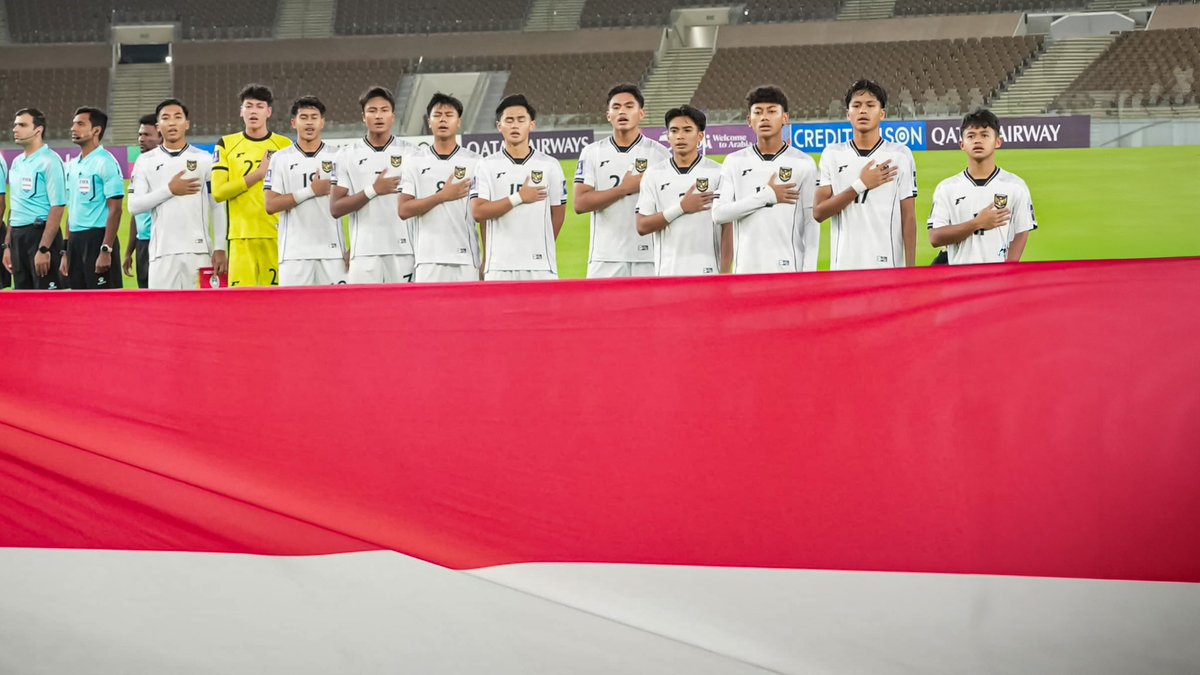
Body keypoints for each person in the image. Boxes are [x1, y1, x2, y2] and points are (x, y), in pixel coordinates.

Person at [712, 86, 819, 274]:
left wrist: (809, 272)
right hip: (746, 271)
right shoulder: (734, 161)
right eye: (758, 112)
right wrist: (767, 196)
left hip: (789, 270)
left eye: (771, 111)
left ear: (785, 118)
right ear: (749, 120)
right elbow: (719, 214)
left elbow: (812, 223)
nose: (764, 117)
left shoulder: (804, 163)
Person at [813, 79, 918, 270]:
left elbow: (908, 216)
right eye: (857, 105)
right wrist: (860, 185)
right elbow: (819, 213)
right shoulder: (832, 154)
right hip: (844, 266)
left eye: (870, 105)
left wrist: (910, 268)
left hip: (887, 266)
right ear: (848, 114)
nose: (863, 110)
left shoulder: (900, 155)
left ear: (882, 113)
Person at [128, 99, 227, 289]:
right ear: (158, 126)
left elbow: (218, 205)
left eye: (178, 117)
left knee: (201, 313)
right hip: (161, 253)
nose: (172, 122)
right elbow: (134, 206)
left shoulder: (204, 159)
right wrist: (170, 190)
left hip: (199, 253)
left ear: (187, 124)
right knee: (162, 314)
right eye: (166, 118)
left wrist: (220, 247)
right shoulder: (145, 161)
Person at [574, 83, 670, 278]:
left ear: (641, 113)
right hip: (605, 258)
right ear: (608, 115)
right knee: (602, 309)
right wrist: (623, 189)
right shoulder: (592, 152)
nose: (622, 112)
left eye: (629, 106)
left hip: (649, 257)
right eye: (616, 107)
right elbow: (580, 203)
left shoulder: (660, 154)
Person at [470, 94, 566, 281]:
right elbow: (478, 211)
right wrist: (519, 197)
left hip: (541, 267)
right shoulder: (486, 165)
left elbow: (559, 214)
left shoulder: (550, 165)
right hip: (499, 266)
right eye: (509, 120)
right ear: (499, 126)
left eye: (521, 120)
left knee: (542, 311)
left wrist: (539, 246)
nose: (515, 125)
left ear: (532, 124)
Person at [329, 86, 418, 284]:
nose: (378, 116)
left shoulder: (412, 154)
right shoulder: (346, 155)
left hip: (404, 251)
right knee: (364, 312)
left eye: (384, 110)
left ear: (393, 116)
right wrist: (373, 190)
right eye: (372, 111)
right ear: (363, 117)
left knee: (403, 311)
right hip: (364, 252)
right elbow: (335, 208)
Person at [928, 109, 1037, 264]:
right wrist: (977, 223)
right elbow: (935, 237)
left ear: (998, 142)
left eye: (985, 135)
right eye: (971, 136)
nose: (977, 141)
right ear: (962, 144)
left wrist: (1009, 269)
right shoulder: (947, 188)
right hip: (959, 280)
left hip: (998, 281)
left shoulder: (1015, 186)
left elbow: (1022, 231)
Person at [397, 92, 483, 283]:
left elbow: (483, 215)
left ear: (458, 121)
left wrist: (486, 258)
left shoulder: (476, 162)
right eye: (437, 115)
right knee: (430, 313)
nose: (443, 120)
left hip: (467, 257)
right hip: (428, 259)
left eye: (449, 115)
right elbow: (403, 210)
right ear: (429, 122)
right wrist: (442, 196)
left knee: (466, 313)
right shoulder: (414, 161)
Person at [212, 84, 292, 286]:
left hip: (276, 236)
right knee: (240, 305)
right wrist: (258, 174)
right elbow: (219, 193)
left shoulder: (285, 146)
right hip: (241, 238)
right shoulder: (226, 144)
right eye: (248, 106)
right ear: (241, 111)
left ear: (269, 111)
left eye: (259, 106)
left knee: (277, 304)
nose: (253, 111)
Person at [635, 105, 730, 276]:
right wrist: (681, 208)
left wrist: (724, 273)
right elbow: (642, 226)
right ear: (668, 136)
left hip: (709, 273)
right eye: (674, 130)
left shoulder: (719, 173)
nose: (680, 136)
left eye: (687, 130)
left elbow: (727, 228)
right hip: (668, 273)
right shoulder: (653, 174)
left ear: (700, 136)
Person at [263, 96, 346, 286]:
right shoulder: (280, 159)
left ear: (322, 122)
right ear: (294, 123)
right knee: (295, 314)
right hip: (294, 254)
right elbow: (270, 205)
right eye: (304, 117)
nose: (309, 122)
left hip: (333, 253)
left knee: (334, 313)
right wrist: (310, 191)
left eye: (314, 117)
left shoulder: (338, 157)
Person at [3, 108, 67, 290]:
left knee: (48, 300)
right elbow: (15, 208)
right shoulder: (16, 162)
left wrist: (44, 249)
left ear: (38, 130)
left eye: (22, 125)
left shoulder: (50, 161)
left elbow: (58, 207)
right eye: (15, 125)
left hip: (39, 235)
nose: (15, 129)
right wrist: (7, 245)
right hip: (17, 238)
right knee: (23, 299)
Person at [64, 107, 125, 289]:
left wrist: (106, 249)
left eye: (80, 124)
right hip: (75, 241)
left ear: (96, 130)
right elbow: (71, 208)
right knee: (77, 302)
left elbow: (116, 209)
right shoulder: (72, 165)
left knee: (105, 304)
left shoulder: (106, 162)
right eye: (73, 124)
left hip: (97, 239)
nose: (73, 128)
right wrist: (66, 250)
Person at [123, 113, 160, 288]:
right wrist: (130, 251)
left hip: (161, 243)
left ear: (160, 136)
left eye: (147, 135)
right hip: (143, 244)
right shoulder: (139, 164)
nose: (141, 139)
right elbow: (135, 211)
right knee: (145, 296)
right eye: (140, 135)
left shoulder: (167, 164)